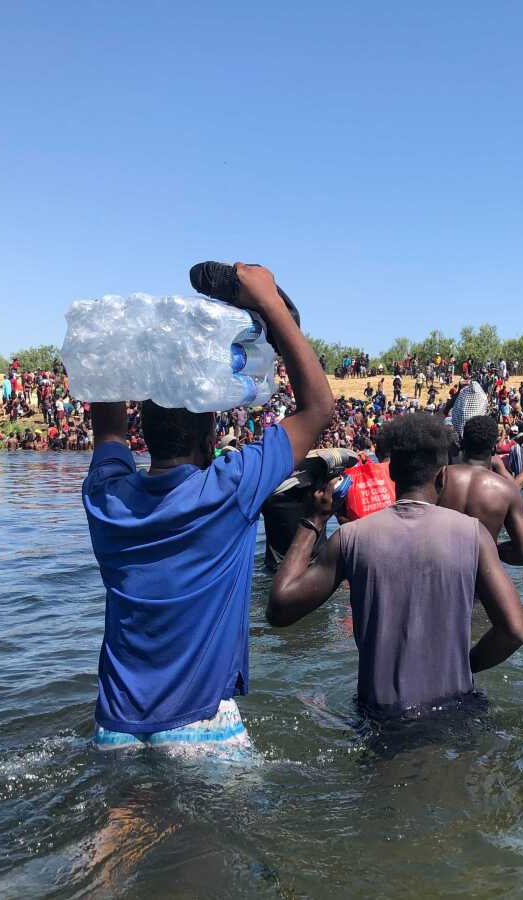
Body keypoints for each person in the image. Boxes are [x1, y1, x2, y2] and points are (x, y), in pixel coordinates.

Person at [81, 263, 333, 751]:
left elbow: (107, 426)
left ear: (143, 438)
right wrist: (271, 304)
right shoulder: (229, 489)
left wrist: (116, 344)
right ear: (211, 439)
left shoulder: (105, 499)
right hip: (202, 726)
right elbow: (318, 409)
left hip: (114, 725)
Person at [267, 414, 523, 717]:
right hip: (455, 708)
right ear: (442, 476)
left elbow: (279, 611)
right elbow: (514, 631)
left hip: (380, 715)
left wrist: (313, 520)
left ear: (391, 472)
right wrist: (464, 664)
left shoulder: (351, 538)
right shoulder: (475, 535)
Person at [438, 415, 523, 565]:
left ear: (462, 444)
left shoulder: (439, 477)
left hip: (440, 570)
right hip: (481, 576)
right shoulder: (507, 490)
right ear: (494, 448)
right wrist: (488, 547)